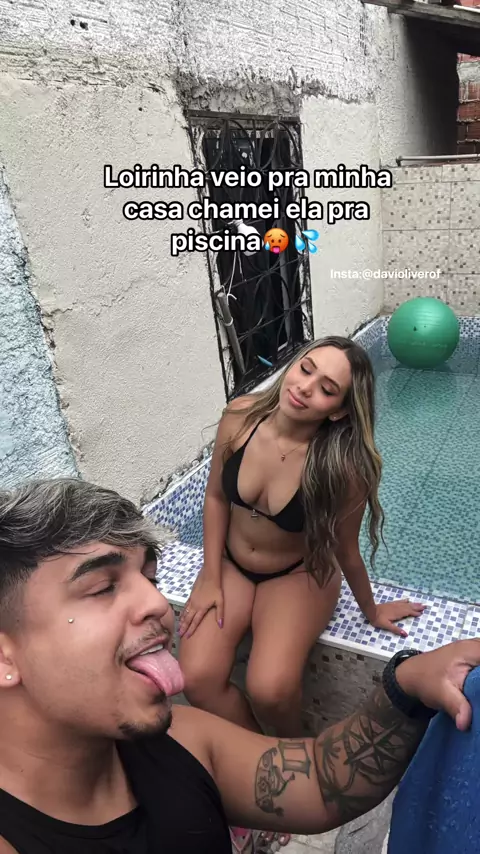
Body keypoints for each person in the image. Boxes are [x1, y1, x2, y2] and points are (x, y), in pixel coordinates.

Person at [0, 478, 478, 854]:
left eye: (151, 578)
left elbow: (322, 779)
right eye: (103, 587)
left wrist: (406, 684)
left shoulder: (181, 740)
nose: (158, 604)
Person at [178, 336, 425, 737]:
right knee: (196, 678)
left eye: (327, 389)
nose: (305, 387)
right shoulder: (239, 417)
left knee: (270, 691)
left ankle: (298, 755)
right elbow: (216, 497)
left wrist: (372, 610)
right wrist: (210, 575)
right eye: (306, 369)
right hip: (232, 565)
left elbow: (346, 550)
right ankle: (254, 756)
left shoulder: (343, 468)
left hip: (297, 574)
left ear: (338, 410)